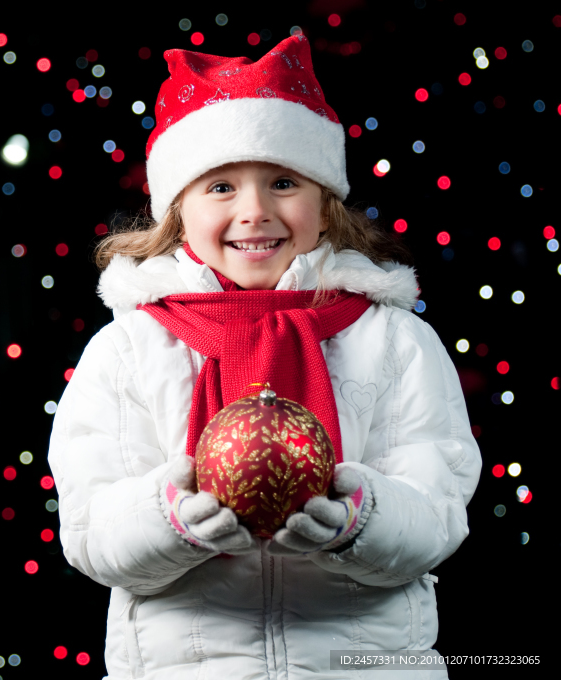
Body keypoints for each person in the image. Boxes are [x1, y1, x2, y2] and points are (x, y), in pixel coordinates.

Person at [47, 34, 480, 679]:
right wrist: (172, 517)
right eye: (220, 187)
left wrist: (359, 519)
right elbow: (91, 533)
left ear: (326, 202)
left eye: (283, 182)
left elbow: (438, 513)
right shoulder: (130, 349)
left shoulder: (392, 340)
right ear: (177, 211)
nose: (254, 211)